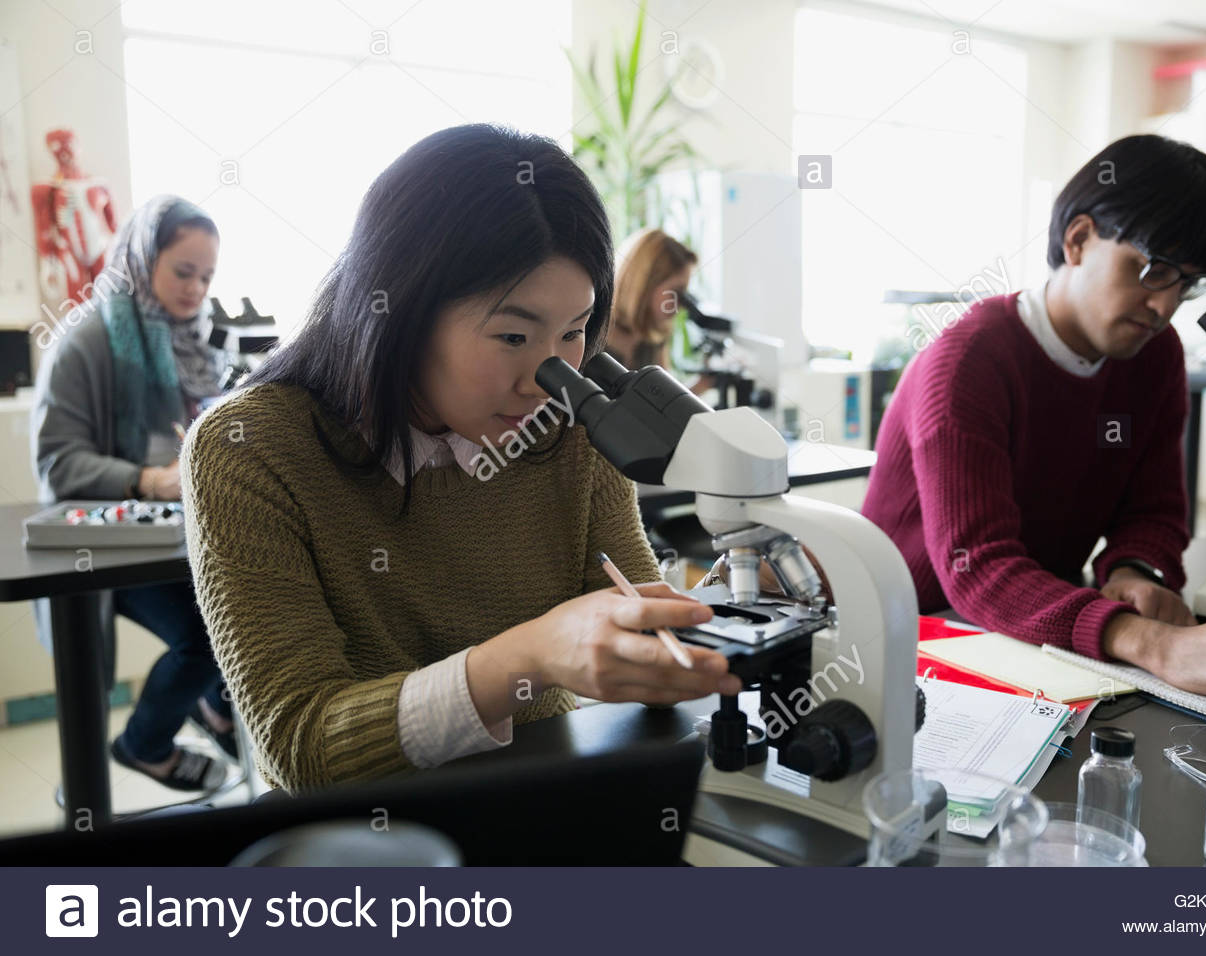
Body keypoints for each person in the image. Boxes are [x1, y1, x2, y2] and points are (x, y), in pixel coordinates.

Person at [180, 125, 740, 794]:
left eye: (573, 332)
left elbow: (634, 639)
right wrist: (526, 657)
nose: (548, 377)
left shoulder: (572, 430)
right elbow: (303, 745)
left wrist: (720, 619)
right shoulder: (250, 450)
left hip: (541, 809)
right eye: (513, 334)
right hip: (364, 852)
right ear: (402, 309)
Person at [862, 134, 1206, 703]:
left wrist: (1135, 574)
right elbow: (979, 570)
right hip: (911, 634)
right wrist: (1150, 642)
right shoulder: (968, 361)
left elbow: (1153, 510)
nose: (1165, 307)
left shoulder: (1155, 355)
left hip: (1027, 633)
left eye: (1187, 284)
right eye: (1152, 270)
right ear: (1078, 240)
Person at [33, 194, 235, 791]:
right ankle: (145, 745)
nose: (196, 289)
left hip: (172, 539)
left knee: (248, 607)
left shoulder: (194, 341)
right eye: (183, 272)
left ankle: (218, 708)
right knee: (207, 635)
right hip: (106, 546)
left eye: (207, 276)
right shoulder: (86, 340)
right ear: (143, 259)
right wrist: (148, 480)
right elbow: (58, 461)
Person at [605, 228, 712, 395]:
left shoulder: (654, 337)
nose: (681, 305)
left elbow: (665, 401)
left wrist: (703, 383)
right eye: (676, 292)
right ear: (646, 284)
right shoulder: (592, 333)